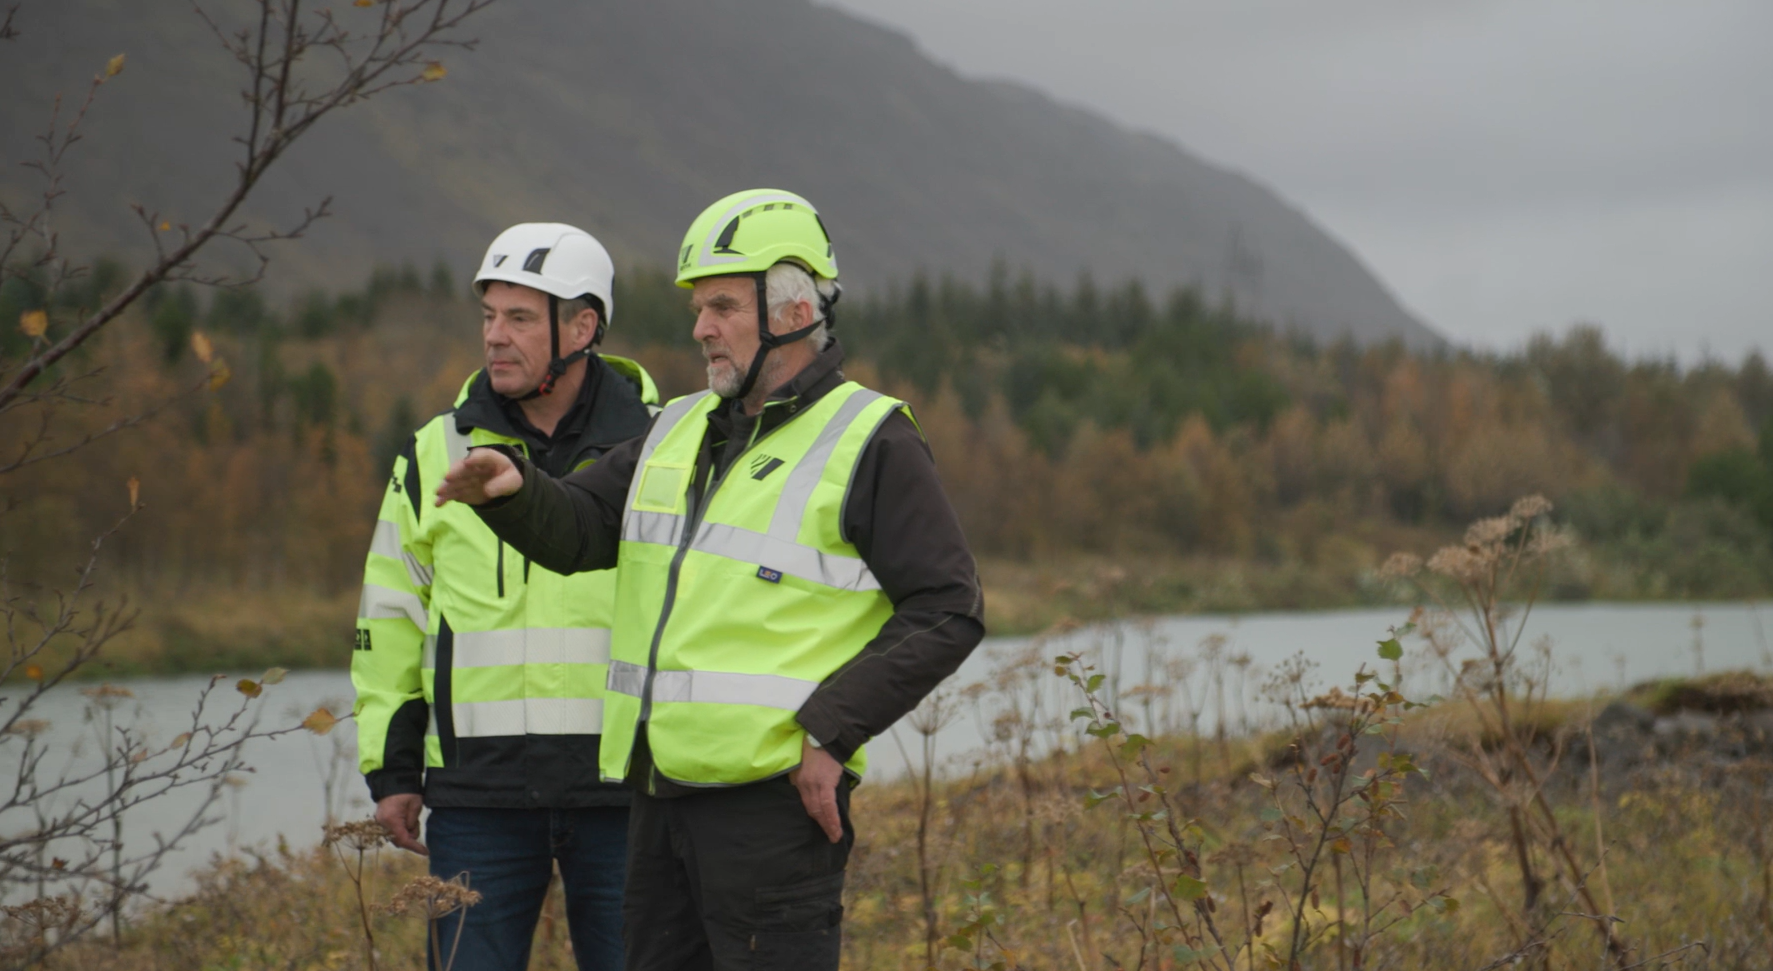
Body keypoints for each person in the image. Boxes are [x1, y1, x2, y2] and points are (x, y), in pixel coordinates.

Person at [435, 189, 985, 970]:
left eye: (723, 305)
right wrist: (516, 493)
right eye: (698, 306)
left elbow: (947, 609)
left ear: (793, 309)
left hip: (773, 809)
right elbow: (584, 528)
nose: (700, 327)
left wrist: (833, 730)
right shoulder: (678, 427)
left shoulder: (870, 436)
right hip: (655, 804)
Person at [353, 223, 658, 971]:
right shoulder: (435, 452)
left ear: (582, 327)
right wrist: (393, 774)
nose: (495, 336)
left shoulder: (661, 450)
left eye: (520, 318)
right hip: (476, 800)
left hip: (624, 793)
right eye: (489, 316)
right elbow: (392, 615)